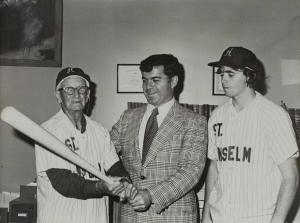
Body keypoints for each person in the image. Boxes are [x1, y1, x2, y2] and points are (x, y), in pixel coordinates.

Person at [202, 46, 299, 223]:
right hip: (221, 216)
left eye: (230, 74)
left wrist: (277, 220)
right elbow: (214, 167)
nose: (223, 79)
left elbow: (291, 176)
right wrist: (206, 214)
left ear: (248, 75)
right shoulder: (217, 116)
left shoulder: (273, 115)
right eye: (221, 73)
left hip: (259, 217)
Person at [110, 54, 208, 222]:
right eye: (144, 80)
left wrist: (151, 195)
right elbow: (104, 151)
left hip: (173, 217)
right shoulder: (128, 118)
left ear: (174, 81)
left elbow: (190, 172)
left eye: (155, 80)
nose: (148, 87)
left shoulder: (194, 121)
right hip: (129, 216)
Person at [35, 67, 135, 223]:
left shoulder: (99, 131)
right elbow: (64, 183)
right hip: (60, 217)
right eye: (69, 90)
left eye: (81, 89)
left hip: (96, 217)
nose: (76, 94)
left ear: (88, 95)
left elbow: (114, 166)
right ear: (58, 95)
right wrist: (102, 186)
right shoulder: (48, 132)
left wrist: (123, 182)